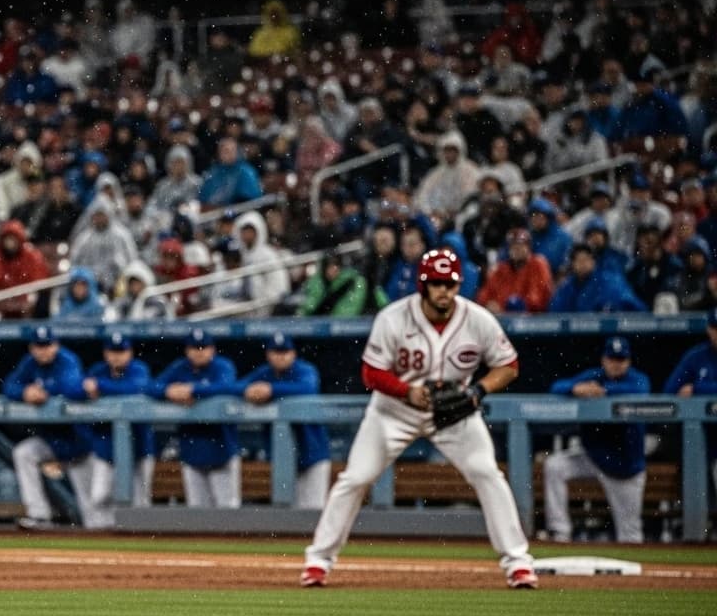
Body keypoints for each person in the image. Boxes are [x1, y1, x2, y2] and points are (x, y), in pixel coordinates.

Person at [302, 249, 536, 589]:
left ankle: (518, 563)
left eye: (450, 283)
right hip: (394, 412)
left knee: (487, 473)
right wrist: (406, 391)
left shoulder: (478, 319)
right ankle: (318, 560)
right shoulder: (394, 318)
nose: (444, 290)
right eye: (436, 283)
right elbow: (371, 373)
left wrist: (478, 391)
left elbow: (508, 365)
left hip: (453, 413)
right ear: (423, 285)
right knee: (355, 478)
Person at [204, 333, 331, 509]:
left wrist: (271, 390)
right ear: (268, 354)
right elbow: (232, 387)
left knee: (313, 510)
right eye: (276, 352)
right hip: (282, 455)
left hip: (312, 453)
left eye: (285, 352)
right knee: (285, 510)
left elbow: (308, 387)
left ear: (293, 353)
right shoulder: (265, 373)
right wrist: (248, 390)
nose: (281, 356)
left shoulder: (304, 370)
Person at [545, 337, 651, 543]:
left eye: (621, 360)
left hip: (624, 467)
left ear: (628, 361)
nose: (616, 364)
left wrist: (603, 391)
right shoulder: (594, 376)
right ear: (604, 359)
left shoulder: (637, 379)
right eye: (612, 359)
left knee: (630, 536)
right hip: (592, 457)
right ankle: (559, 531)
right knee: (555, 466)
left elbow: (641, 391)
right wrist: (575, 389)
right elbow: (556, 386)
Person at [2, 325, 92, 530]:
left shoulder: (67, 360)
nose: (43, 350)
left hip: (81, 445)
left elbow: (72, 388)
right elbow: (9, 385)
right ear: (32, 348)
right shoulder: (30, 363)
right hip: (53, 442)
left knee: (93, 513)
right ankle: (39, 515)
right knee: (23, 453)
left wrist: (44, 391)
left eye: (47, 345)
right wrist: (24, 392)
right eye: (39, 346)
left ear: (56, 345)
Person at [151, 328, 241, 508]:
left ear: (212, 349)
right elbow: (150, 387)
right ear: (187, 350)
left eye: (203, 347)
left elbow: (227, 386)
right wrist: (167, 391)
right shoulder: (180, 367)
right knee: (197, 512)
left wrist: (193, 390)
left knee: (228, 512)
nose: (199, 352)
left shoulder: (222, 366)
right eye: (195, 348)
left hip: (222, 449)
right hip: (191, 451)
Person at [79, 332, 156, 526]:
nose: (116, 356)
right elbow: (75, 389)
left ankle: (139, 540)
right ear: (106, 353)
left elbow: (137, 387)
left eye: (121, 351)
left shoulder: (138, 369)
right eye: (113, 351)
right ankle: (101, 537)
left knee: (140, 502)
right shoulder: (98, 370)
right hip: (105, 447)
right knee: (99, 497)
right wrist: (89, 388)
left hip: (139, 448)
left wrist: (101, 386)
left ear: (130, 353)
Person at [663, 308, 717, 502]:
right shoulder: (696, 356)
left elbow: (689, 389)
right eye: (715, 327)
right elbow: (670, 391)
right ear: (709, 329)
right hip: (702, 439)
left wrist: (697, 388)